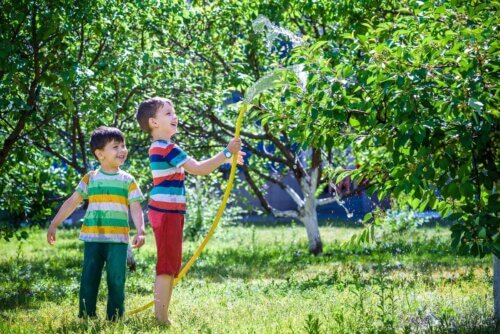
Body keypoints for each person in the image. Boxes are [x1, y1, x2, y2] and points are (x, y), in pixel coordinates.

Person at [136, 97, 245, 325]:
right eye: (168, 113)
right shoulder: (167, 148)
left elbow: (198, 166)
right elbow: (199, 168)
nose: (174, 116)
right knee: (166, 267)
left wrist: (228, 157)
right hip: (166, 213)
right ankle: (161, 320)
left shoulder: (161, 147)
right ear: (154, 122)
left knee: (170, 265)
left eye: (174, 112)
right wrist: (226, 153)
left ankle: (162, 316)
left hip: (168, 212)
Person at [47, 126, 146, 320]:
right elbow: (72, 202)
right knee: (89, 278)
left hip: (118, 240)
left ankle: (115, 317)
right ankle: (86, 315)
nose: (122, 150)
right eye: (116, 147)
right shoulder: (90, 179)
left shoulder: (128, 180)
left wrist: (141, 230)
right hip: (93, 238)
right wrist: (54, 223)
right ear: (100, 154)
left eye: (123, 145)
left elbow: (135, 207)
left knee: (117, 280)